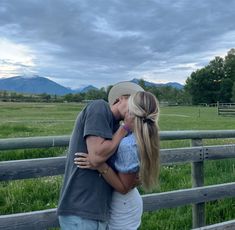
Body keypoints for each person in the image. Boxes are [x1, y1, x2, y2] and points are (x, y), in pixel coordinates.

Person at [57, 81, 144, 230]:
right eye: (133, 102)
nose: (135, 110)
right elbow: (97, 156)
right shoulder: (99, 107)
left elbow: (130, 176)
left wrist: (102, 166)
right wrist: (126, 128)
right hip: (81, 209)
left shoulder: (117, 129)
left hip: (100, 212)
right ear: (120, 98)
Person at [75, 91, 160, 230]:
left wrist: (99, 165)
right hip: (124, 204)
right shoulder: (138, 136)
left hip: (122, 206)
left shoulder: (127, 144)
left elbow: (123, 188)